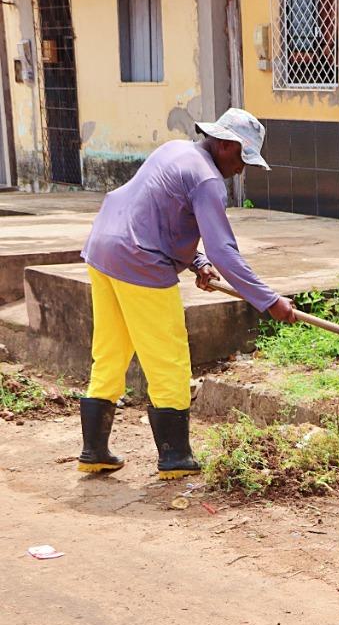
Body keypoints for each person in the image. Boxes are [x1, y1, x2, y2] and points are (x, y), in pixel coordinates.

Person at [76, 108, 297, 479]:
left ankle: (93, 450)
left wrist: (195, 261)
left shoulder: (174, 151)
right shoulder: (207, 179)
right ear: (226, 145)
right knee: (169, 359)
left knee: (110, 352)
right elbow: (224, 251)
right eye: (243, 159)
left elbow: (153, 212)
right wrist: (268, 300)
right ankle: (175, 457)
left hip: (102, 249)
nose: (242, 170)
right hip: (139, 262)